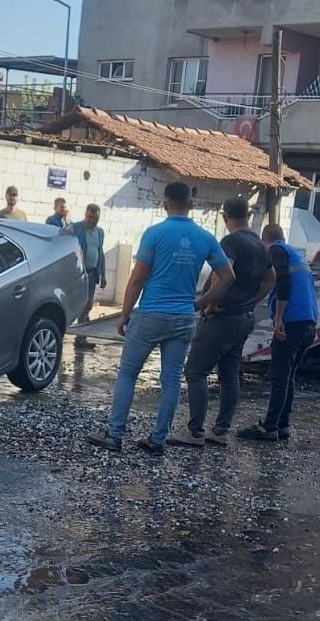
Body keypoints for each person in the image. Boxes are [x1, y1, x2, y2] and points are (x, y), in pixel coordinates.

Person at [88, 182, 235, 454]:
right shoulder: (205, 237)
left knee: (129, 373)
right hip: (183, 318)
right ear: (190, 204)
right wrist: (202, 302)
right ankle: (158, 440)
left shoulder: (155, 234)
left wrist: (123, 315)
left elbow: (137, 278)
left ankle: (115, 434)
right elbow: (228, 276)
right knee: (170, 379)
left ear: (165, 203)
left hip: (151, 315)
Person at [171, 197, 274, 447]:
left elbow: (225, 275)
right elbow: (271, 279)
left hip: (223, 317)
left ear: (225, 216)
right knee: (229, 375)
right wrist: (251, 301)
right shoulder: (259, 244)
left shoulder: (232, 241)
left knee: (195, 371)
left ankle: (195, 432)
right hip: (244, 318)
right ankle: (220, 431)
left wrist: (208, 303)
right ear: (247, 215)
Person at [239, 223, 320, 442]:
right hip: (309, 323)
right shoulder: (296, 254)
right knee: (288, 376)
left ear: (265, 240)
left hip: (292, 322)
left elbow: (282, 281)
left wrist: (279, 319)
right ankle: (282, 425)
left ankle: (270, 427)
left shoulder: (276, 251)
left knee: (279, 377)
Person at [71, 203, 106, 350]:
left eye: (96, 218)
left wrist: (103, 274)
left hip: (92, 274)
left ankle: (81, 338)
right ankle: (61, 333)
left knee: (87, 305)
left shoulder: (100, 232)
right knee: (73, 304)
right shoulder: (75, 228)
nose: (92, 220)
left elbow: (100, 252)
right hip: (77, 274)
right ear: (85, 215)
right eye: (90, 217)